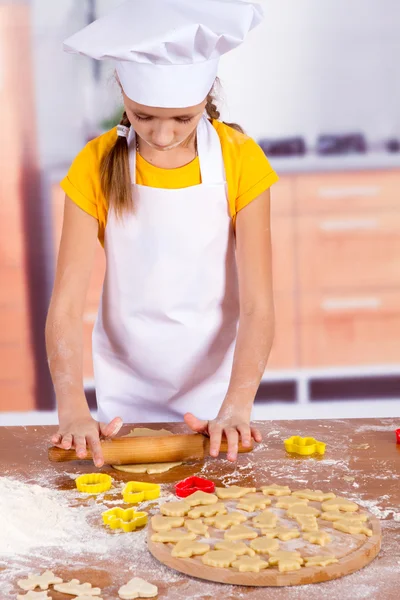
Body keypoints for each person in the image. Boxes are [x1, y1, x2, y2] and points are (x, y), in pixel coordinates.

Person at [46, 0, 279, 468]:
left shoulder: (240, 160)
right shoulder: (95, 163)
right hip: (124, 395)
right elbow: (66, 305)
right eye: (144, 116)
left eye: (182, 119)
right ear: (123, 95)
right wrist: (72, 408)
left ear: (206, 97)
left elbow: (258, 305)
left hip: (218, 393)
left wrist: (236, 406)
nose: (163, 135)